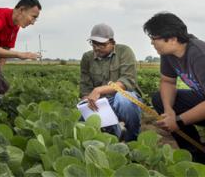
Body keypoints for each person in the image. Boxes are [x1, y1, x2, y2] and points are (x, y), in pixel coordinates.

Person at [143, 12, 205, 164]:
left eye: (154, 38)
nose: (151, 42)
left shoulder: (199, 55)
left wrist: (178, 121)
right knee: (159, 99)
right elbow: (167, 81)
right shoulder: (168, 53)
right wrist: (169, 111)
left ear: (171, 38)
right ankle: (195, 154)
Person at [80, 23, 142, 142]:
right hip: (101, 102)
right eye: (94, 43)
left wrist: (99, 90)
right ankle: (116, 136)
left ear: (112, 42)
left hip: (125, 96)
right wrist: (87, 100)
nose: (97, 48)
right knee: (82, 123)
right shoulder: (87, 57)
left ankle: (132, 138)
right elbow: (85, 85)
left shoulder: (124, 51)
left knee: (123, 99)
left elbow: (127, 81)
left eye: (102, 44)